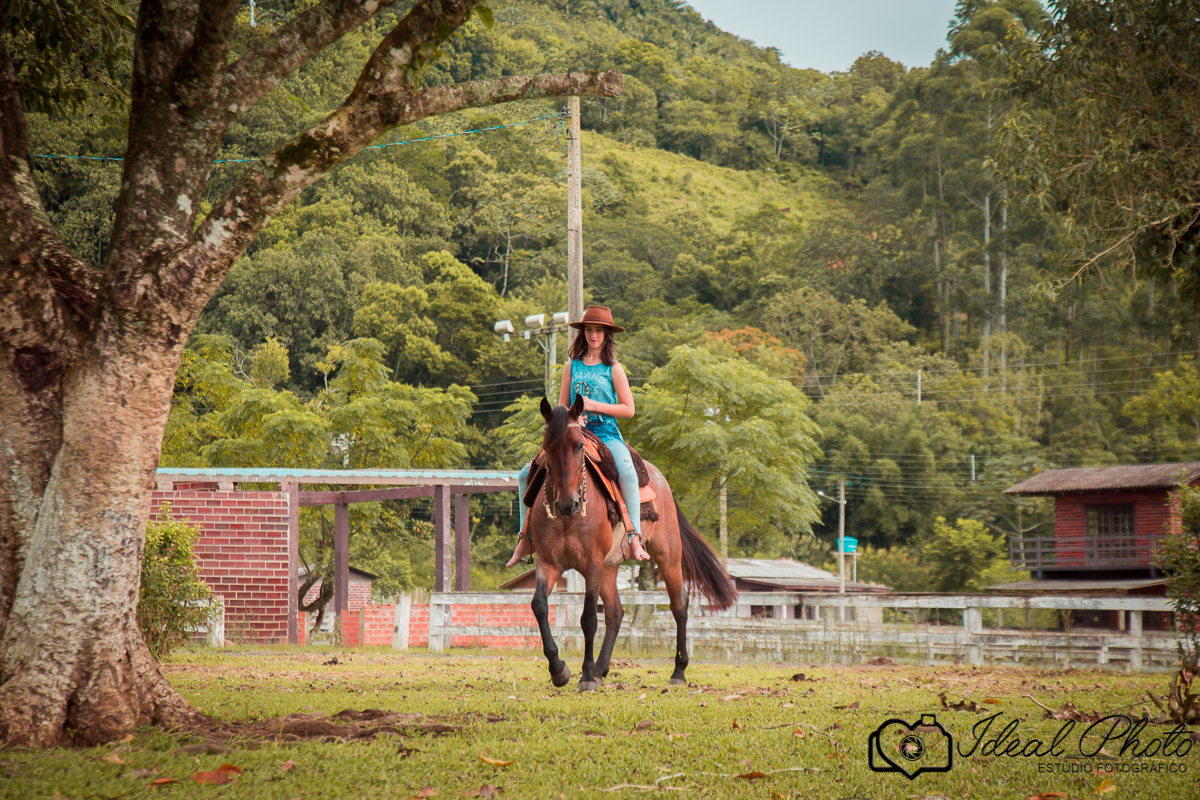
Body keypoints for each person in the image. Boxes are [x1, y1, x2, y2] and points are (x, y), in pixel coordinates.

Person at [507, 305, 651, 566]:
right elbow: (561, 406)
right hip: (574, 434)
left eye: (598, 331)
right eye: (589, 330)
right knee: (523, 474)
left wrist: (593, 405)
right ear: (582, 332)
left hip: (605, 434)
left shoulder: (613, 368)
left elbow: (629, 409)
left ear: (607, 335)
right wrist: (572, 417)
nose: (593, 335)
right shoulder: (571, 366)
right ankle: (525, 539)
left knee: (628, 473)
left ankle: (634, 537)